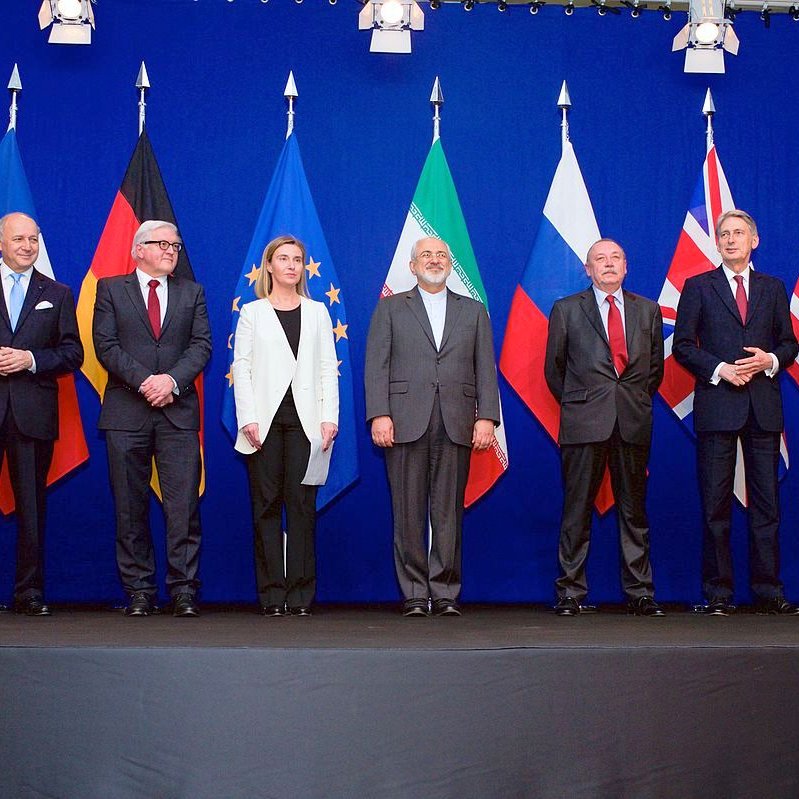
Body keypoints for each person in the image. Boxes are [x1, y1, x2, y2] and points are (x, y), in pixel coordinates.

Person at [365, 237, 500, 617]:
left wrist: (486, 416)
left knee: (448, 512)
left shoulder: (473, 311)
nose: (435, 260)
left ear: (450, 264)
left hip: (457, 422)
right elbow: (377, 365)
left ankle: (444, 593)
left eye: (442, 254)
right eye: (426, 254)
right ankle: (413, 593)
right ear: (412, 266)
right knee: (407, 511)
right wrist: (379, 414)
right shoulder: (390, 308)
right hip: (404, 420)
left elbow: (484, 369)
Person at [673, 210, 799, 616]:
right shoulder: (698, 287)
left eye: (739, 233)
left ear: (754, 241)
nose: (730, 240)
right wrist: (719, 369)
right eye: (724, 234)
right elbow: (683, 346)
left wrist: (770, 361)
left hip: (763, 408)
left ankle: (768, 590)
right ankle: (718, 593)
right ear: (717, 243)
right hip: (717, 407)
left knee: (767, 507)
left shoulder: (774, 288)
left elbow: (789, 343)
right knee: (715, 506)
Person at [93, 220, 211, 617]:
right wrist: (147, 381)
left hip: (177, 414)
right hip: (127, 413)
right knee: (129, 507)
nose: (170, 251)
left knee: (183, 509)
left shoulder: (192, 292)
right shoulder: (110, 289)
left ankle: (183, 591)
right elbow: (105, 346)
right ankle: (140, 590)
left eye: (175, 246)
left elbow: (201, 346)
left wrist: (171, 382)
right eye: (162, 244)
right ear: (137, 249)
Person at [545, 238, 665, 617]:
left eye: (615, 258)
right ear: (588, 269)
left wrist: (627, 401)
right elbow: (554, 371)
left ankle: (640, 592)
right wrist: (586, 402)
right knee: (576, 510)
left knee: (634, 512)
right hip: (584, 423)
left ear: (626, 267)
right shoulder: (566, 310)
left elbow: (654, 371)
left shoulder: (648, 311)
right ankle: (570, 592)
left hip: (632, 421)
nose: (608, 264)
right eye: (600, 259)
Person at [231, 235, 338, 617]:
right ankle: (272, 594)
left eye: (297, 259)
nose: (292, 265)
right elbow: (240, 367)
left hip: (306, 424)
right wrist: (248, 418)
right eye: (284, 259)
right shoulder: (252, 312)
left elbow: (328, 367)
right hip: (264, 424)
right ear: (270, 266)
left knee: (303, 507)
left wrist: (330, 417)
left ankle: (301, 595)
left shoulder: (318, 312)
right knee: (266, 508)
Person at [0, 211, 83, 616]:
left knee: (31, 507)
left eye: (33, 239)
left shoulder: (59, 293)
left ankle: (28, 591)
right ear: (1, 242)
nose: (27, 247)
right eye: (18, 239)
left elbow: (73, 354)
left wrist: (30, 359)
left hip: (32, 414)